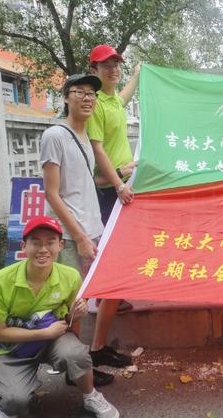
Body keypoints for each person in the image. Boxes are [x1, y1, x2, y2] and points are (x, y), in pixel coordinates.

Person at [0, 216, 119, 418]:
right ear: (24, 246)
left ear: (60, 245)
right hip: (13, 349)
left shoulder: (71, 276)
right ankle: (9, 401)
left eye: (50, 242)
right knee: (14, 401)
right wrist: (44, 333)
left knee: (76, 354)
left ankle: (91, 396)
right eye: (36, 242)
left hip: (54, 340)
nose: (43, 249)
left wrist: (75, 314)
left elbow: (70, 321)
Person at [40, 73, 130, 375]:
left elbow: (88, 181)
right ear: (66, 97)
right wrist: (78, 236)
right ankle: (75, 369)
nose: (87, 98)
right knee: (74, 302)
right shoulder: (54, 136)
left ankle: (97, 349)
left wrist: (121, 176)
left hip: (95, 228)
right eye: (79, 92)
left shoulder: (84, 136)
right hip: (70, 235)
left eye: (91, 93)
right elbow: (52, 193)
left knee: (111, 286)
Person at [87, 44, 138, 361]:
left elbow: (123, 98)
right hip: (109, 190)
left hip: (120, 186)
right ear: (94, 70)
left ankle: (109, 298)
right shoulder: (95, 104)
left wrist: (137, 76)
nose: (113, 69)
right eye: (106, 65)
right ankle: (97, 347)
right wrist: (118, 182)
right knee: (113, 257)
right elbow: (97, 149)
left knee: (121, 252)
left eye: (117, 64)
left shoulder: (113, 101)